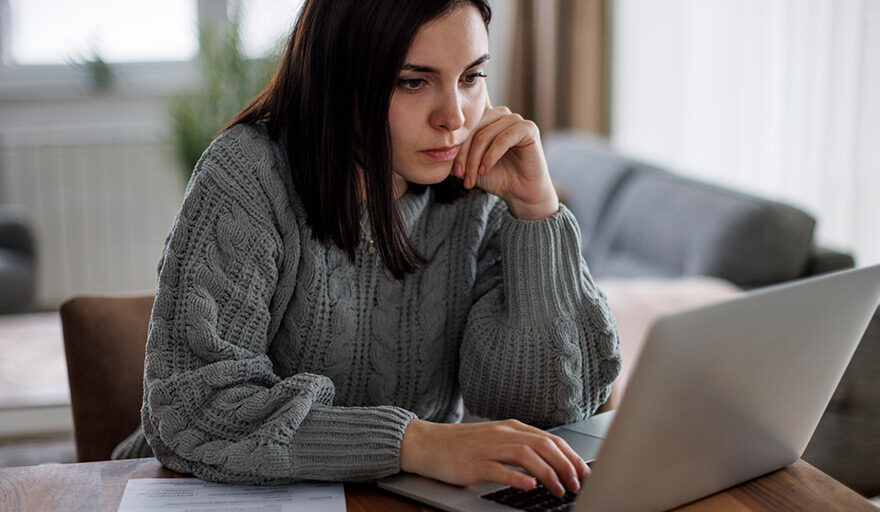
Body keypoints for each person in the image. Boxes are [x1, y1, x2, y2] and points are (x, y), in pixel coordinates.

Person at [113, 0, 621, 499]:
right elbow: (193, 411)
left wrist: (536, 211)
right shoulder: (248, 175)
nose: (454, 117)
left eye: (471, 77)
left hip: (404, 498)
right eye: (413, 82)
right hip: (204, 491)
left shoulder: (477, 194)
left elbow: (554, 408)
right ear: (340, 80)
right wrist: (412, 443)